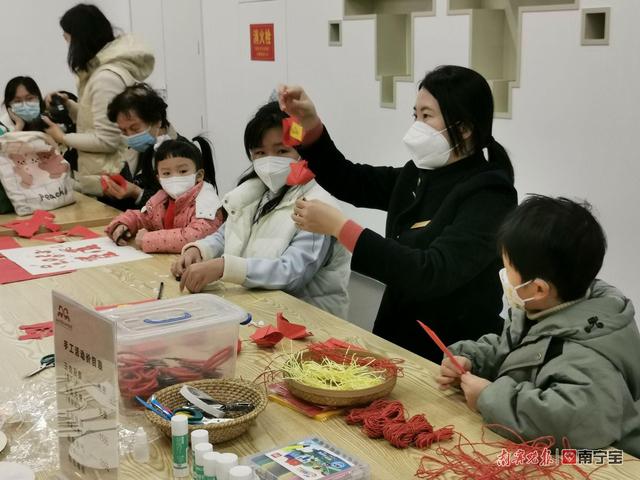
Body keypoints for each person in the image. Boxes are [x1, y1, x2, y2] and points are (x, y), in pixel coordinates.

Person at [280, 65, 517, 361]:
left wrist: (342, 229)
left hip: (455, 352)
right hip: (398, 335)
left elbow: (430, 271)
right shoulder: (418, 173)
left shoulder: (490, 194)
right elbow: (351, 180)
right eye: (415, 115)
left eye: (427, 116)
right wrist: (311, 127)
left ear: (465, 128)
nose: (417, 125)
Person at [438, 196, 640, 456]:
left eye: (508, 267)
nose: (503, 275)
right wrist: (471, 359)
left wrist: (489, 398)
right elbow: (512, 348)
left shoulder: (587, 355)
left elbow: (569, 421)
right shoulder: (540, 306)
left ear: (539, 288)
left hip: (603, 461)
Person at [171, 101, 350, 318]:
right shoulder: (255, 192)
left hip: (308, 324)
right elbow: (227, 234)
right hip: (258, 310)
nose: (269, 161)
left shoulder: (318, 206)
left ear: (304, 151)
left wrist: (223, 267)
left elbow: (292, 273)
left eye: (282, 151)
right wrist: (198, 251)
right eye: (260, 152)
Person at [43, 3, 154, 196]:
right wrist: (69, 105)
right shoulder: (101, 73)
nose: (66, 42)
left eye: (67, 37)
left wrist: (61, 137)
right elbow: (98, 121)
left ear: (79, 38)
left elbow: (107, 140)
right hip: (107, 174)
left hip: (112, 176)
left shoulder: (105, 79)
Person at [105, 139, 223, 253]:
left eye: (182, 171)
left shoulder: (206, 201)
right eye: (167, 173)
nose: (174, 177)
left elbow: (196, 235)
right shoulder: (162, 199)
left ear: (199, 175)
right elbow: (145, 218)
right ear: (159, 178)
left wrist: (149, 239)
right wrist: (124, 223)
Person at [104, 83, 185, 210]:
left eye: (135, 128)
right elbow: (125, 205)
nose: (130, 136)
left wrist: (137, 193)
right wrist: (112, 190)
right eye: (124, 131)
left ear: (157, 121)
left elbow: (181, 207)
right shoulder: (134, 151)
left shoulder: (184, 153)